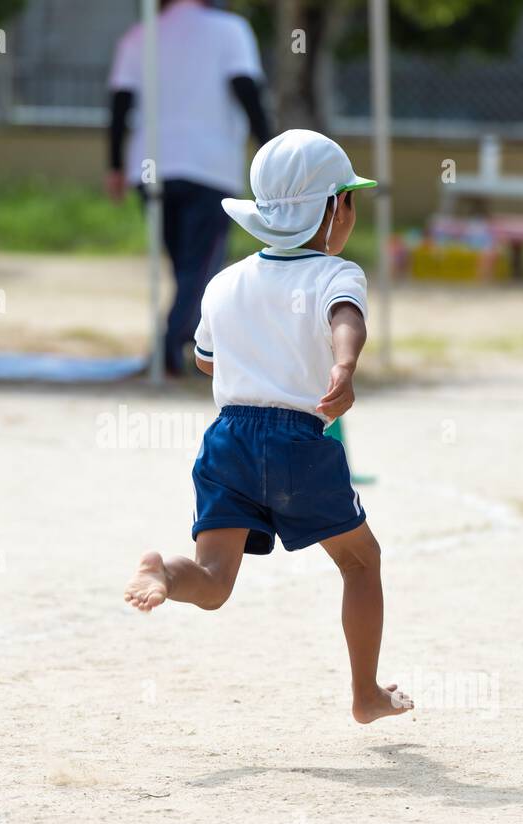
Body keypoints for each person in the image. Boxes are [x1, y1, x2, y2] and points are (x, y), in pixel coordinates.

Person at [123, 129, 413, 725]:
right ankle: (365, 694)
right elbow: (345, 321)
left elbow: (204, 359)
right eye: (349, 200)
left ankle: (162, 573)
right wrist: (344, 364)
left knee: (213, 579)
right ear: (332, 210)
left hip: (228, 441)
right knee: (361, 564)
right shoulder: (337, 274)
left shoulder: (224, 282)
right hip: (297, 445)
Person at [107, 0, 271, 377]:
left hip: (149, 166)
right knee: (200, 266)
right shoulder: (230, 30)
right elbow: (247, 90)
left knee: (184, 266)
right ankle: (172, 346)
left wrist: (115, 165)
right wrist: (270, 149)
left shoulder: (138, 35)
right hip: (208, 165)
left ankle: (185, 349)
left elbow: (119, 103)